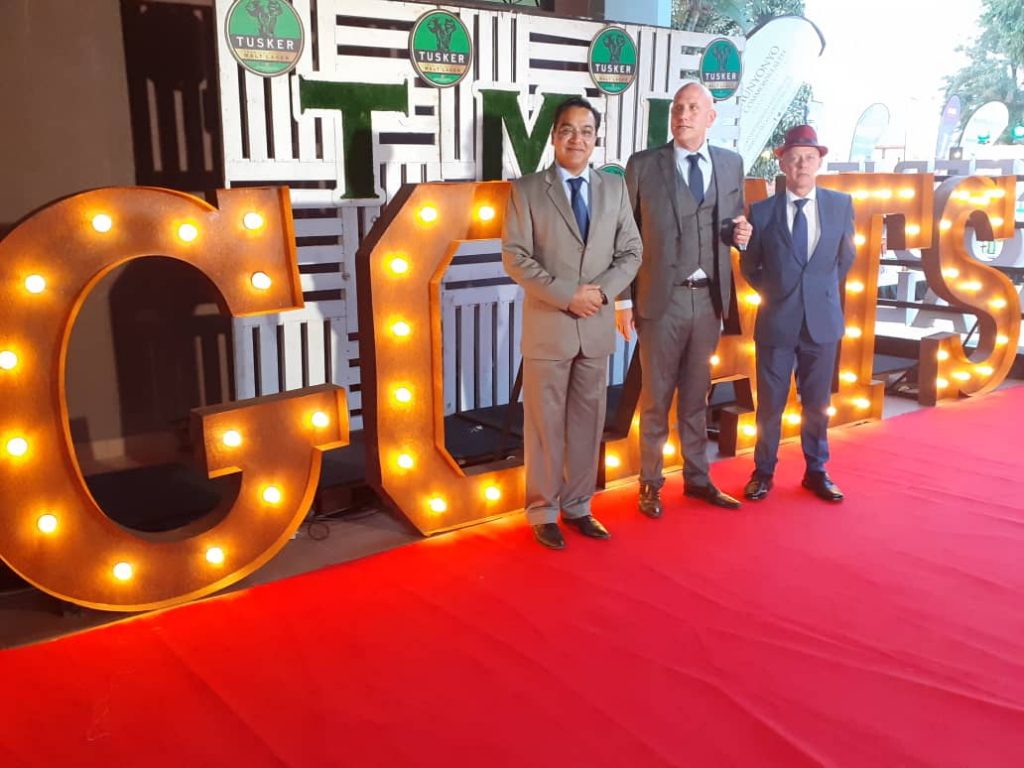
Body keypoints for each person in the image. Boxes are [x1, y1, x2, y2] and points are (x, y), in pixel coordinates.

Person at [502, 97, 643, 550]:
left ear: (595, 139)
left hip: (595, 327)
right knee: (544, 425)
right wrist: (568, 295)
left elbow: (632, 252)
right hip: (550, 326)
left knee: (588, 421)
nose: (576, 139)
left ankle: (579, 505)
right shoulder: (526, 190)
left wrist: (600, 294)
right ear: (554, 136)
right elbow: (516, 258)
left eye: (586, 131)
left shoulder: (614, 189)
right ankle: (543, 511)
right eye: (567, 129)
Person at [619, 81, 751, 519]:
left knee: (697, 395)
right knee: (656, 398)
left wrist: (742, 234)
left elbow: (733, 223)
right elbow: (623, 235)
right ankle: (650, 482)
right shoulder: (643, 164)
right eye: (678, 107)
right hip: (661, 299)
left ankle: (697, 478)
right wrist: (622, 300)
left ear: (711, 117)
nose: (683, 115)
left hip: (709, 299)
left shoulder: (731, 163)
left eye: (693, 108)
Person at [739, 124, 856, 503]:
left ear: (819, 162)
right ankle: (763, 472)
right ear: (783, 165)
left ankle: (816, 471)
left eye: (809, 157)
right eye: (794, 158)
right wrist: (777, 294)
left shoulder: (840, 205)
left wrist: (819, 291)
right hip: (777, 322)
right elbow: (750, 266)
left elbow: (845, 258)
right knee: (770, 406)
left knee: (818, 404)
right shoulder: (762, 211)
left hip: (823, 323)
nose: (802, 164)